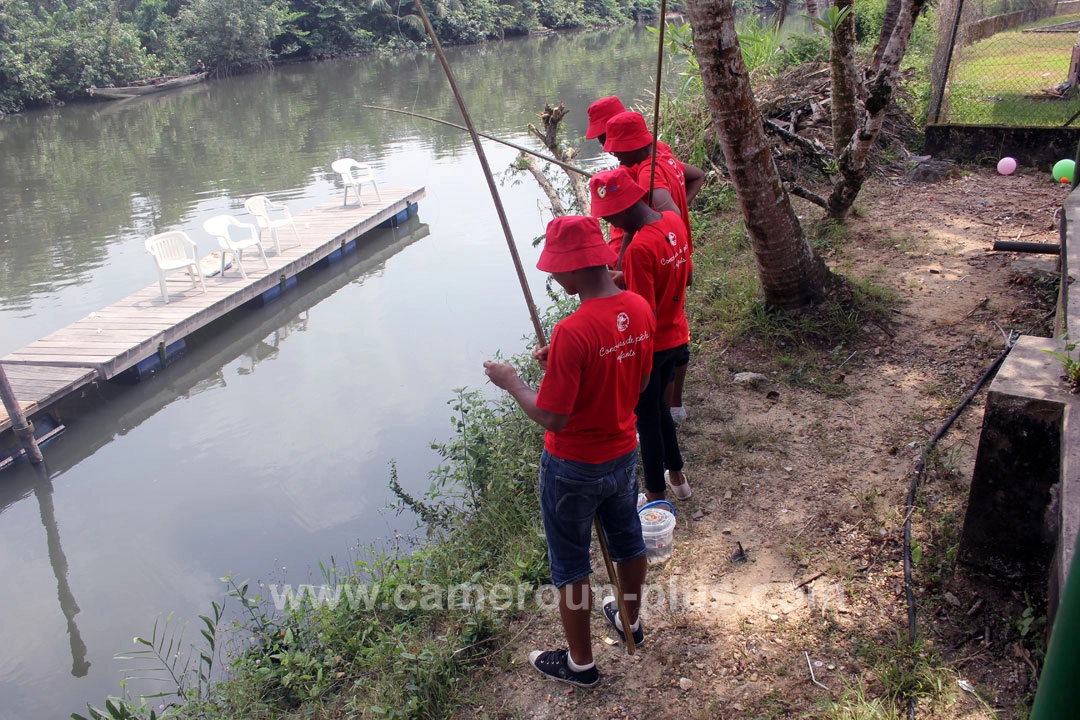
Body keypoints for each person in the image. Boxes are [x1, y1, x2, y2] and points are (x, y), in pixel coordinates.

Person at [483, 215, 653, 688]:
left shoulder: (573, 330)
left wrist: (513, 382)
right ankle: (630, 620)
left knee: (572, 564)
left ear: (575, 269)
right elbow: (635, 382)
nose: (552, 277)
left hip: (573, 466)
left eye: (556, 269)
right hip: (622, 456)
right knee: (628, 540)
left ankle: (580, 663)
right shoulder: (638, 308)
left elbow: (554, 416)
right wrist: (560, 362)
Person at [589, 167, 691, 502]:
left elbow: (644, 315)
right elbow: (680, 275)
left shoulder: (638, 250)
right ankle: (677, 476)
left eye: (610, 218)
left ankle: (655, 494)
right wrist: (625, 277)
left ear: (621, 209)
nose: (612, 226)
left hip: (655, 346)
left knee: (646, 421)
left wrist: (612, 301)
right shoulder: (672, 220)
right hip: (677, 335)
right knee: (660, 412)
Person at [602, 110, 705, 424]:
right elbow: (696, 175)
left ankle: (656, 407)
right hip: (675, 258)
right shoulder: (665, 157)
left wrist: (652, 241)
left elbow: (667, 212)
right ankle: (671, 408)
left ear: (634, 143)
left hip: (658, 261)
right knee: (675, 329)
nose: (614, 153)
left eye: (617, 147)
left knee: (652, 333)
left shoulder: (650, 174)